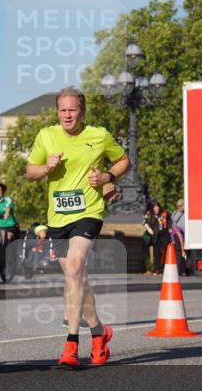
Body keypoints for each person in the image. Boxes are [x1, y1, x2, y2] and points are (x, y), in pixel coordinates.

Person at [27, 86, 129, 368]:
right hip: (57, 217)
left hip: (89, 212)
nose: (67, 115)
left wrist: (107, 175)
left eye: (72, 110)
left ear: (82, 111)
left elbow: (123, 161)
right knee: (77, 277)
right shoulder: (46, 136)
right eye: (63, 110)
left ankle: (71, 345)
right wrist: (46, 168)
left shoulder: (98, 136)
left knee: (73, 269)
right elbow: (30, 172)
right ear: (57, 111)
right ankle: (99, 331)